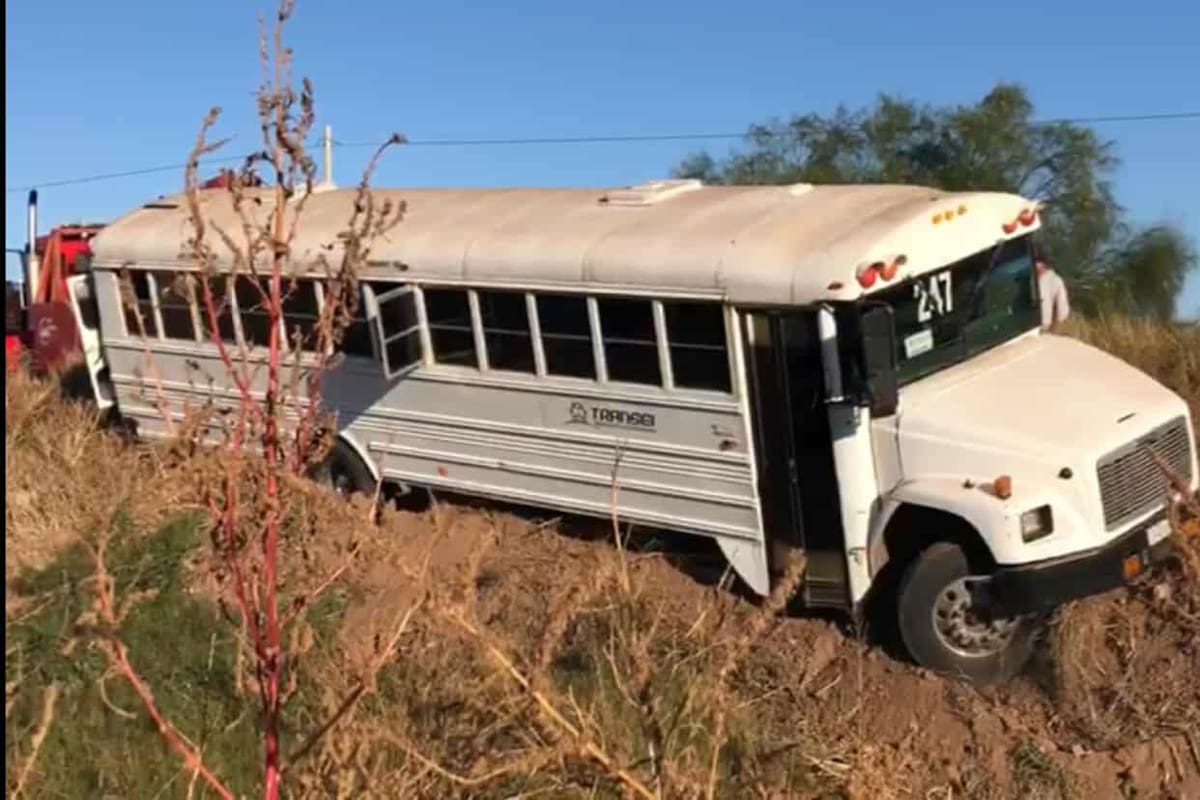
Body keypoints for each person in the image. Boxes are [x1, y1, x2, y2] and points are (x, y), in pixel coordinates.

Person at [1036, 257, 1070, 330]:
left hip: (1043, 327)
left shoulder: (1055, 280)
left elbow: (1062, 309)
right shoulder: (1030, 279)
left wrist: (1057, 325)